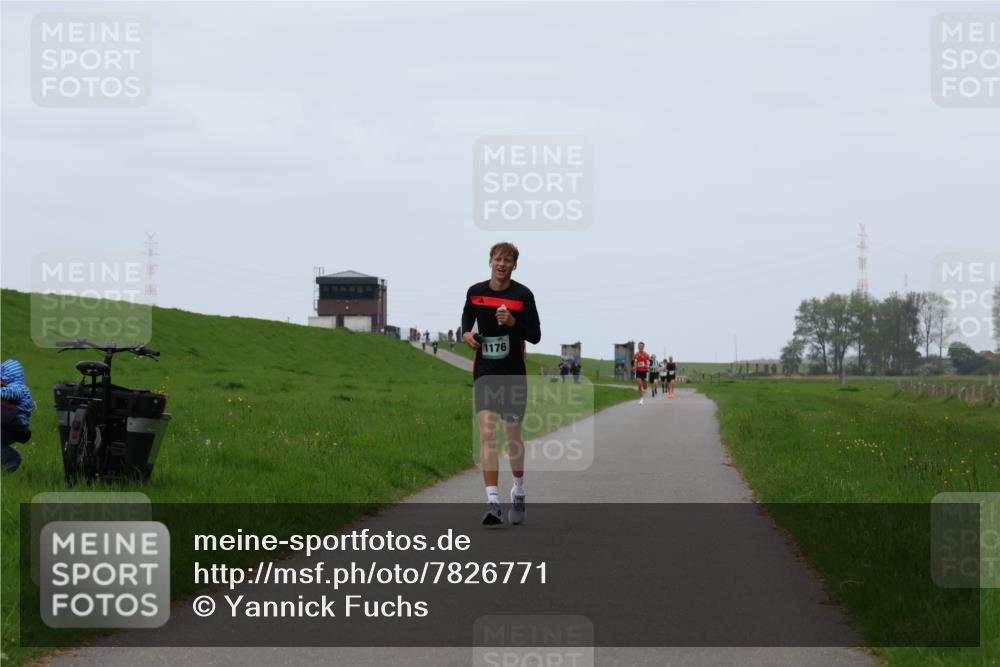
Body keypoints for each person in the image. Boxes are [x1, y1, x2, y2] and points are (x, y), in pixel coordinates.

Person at [462, 242, 541, 526]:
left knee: (512, 438)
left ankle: (518, 492)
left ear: (514, 265)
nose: (502, 264)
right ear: (490, 261)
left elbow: (535, 336)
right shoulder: (475, 292)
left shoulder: (523, 295)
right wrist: (466, 336)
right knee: (487, 434)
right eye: (498, 259)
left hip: (513, 374)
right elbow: (466, 323)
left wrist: (512, 323)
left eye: (507, 260)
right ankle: (492, 502)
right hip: (485, 372)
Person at [1, 359, 34, 473]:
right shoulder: (19, 385)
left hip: (17, 421)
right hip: (15, 422)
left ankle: (10, 462)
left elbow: (13, 393)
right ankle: (10, 461)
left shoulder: (17, 387)